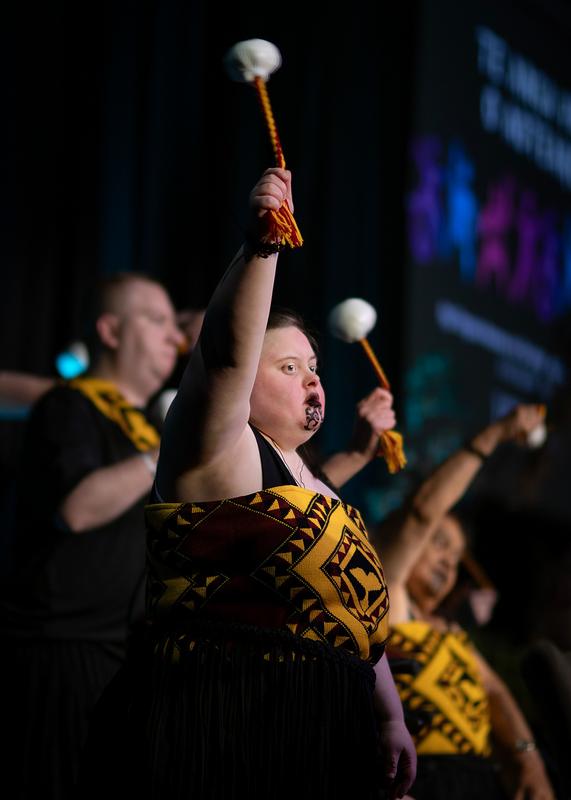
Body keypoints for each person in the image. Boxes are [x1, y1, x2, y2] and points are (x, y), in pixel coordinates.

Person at [78, 168, 417, 800]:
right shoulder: (218, 450)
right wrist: (262, 248)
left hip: (326, 733)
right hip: (228, 724)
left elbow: (352, 620)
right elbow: (226, 356)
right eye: (290, 367)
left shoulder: (319, 488)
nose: (313, 381)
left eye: (314, 368)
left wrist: (389, 716)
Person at [0, 272, 185, 800]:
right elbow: (77, 508)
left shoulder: (144, 428)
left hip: (120, 655)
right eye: (155, 320)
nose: (172, 338)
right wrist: (159, 455)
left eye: (176, 326)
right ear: (109, 331)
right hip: (59, 651)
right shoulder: (70, 407)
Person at [342, 399, 556, 799]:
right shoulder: (388, 605)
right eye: (439, 544)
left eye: (457, 557)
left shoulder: (451, 632)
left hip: (481, 780)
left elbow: (494, 691)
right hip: (424, 780)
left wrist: (528, 759)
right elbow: (424, 510)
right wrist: (494, 435)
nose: (448, 561)